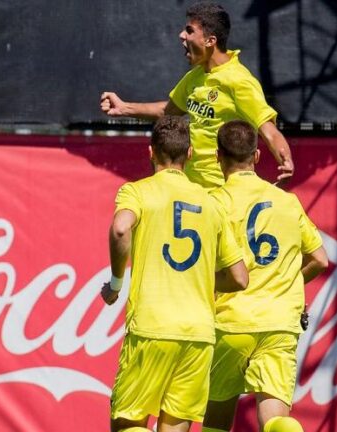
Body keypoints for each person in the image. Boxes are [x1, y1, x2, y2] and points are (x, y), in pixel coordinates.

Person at [101, 115, 248, 432]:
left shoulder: (137, 192)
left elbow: (120, 229)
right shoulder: (211, 203)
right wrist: (201, 279)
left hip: (151, 328)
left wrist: (115, 283)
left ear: (150, 152)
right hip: (199, 334)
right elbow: (239, 278)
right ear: (190, 153)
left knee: (127, 423)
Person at [201, 121, 328, 432]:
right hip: (280, 323)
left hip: (231, 321)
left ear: (218, 157)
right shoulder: (287, 201)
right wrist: (286, 284)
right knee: (275, 419)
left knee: (217, 417)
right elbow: (320, 260)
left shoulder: (214, 202)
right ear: (257, 156)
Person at [100, 1, 294, 190]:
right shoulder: (194, 76)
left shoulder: (239, 81)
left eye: (189, 30)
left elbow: (268, 131)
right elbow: (167, 111)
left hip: (221, 189)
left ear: (210, 41)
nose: (181, 35)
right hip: (191, 187)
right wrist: (124, 107)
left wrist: (286, 161)